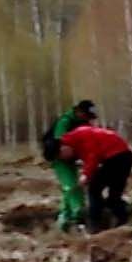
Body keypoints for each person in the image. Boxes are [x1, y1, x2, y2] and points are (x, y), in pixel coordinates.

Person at [57, 122, 132, 234]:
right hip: (123, 156)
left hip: (117, 157)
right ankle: (121, 223)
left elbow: (92, 156)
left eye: (62, 156)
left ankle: (95, 226)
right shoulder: (77, 138)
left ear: (63, 147)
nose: (66, 158)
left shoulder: (81, 135)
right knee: (113, 196)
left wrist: (85, 175)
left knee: (94, 189)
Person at [44, 99, 96, 233]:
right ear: (79, 112)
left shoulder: (83, 122)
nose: (87, 119)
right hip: (60, 158)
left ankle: (64, 219)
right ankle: (77, 214)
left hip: (71, 158)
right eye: (86, 116)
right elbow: (60, 143)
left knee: (73, 186)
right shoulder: (65, 121)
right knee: (71, 186)